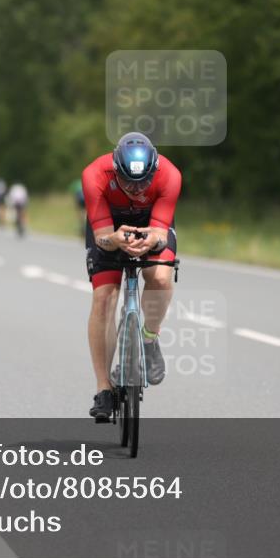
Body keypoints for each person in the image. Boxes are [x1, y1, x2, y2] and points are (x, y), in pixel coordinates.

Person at [82, 132, 181, 422]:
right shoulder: (94, 175)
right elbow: (102, 238)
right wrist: (114, 239)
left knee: (161, 278)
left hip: (151, 224)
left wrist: (152, 240)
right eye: (127, 182)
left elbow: (161, 233)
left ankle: (149, 338)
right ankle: (103, 388)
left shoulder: (170, 174)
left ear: (154, 169)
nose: (136, 189)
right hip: (109, 227)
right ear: (115, 169)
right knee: (103, 298)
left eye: (143, 182)